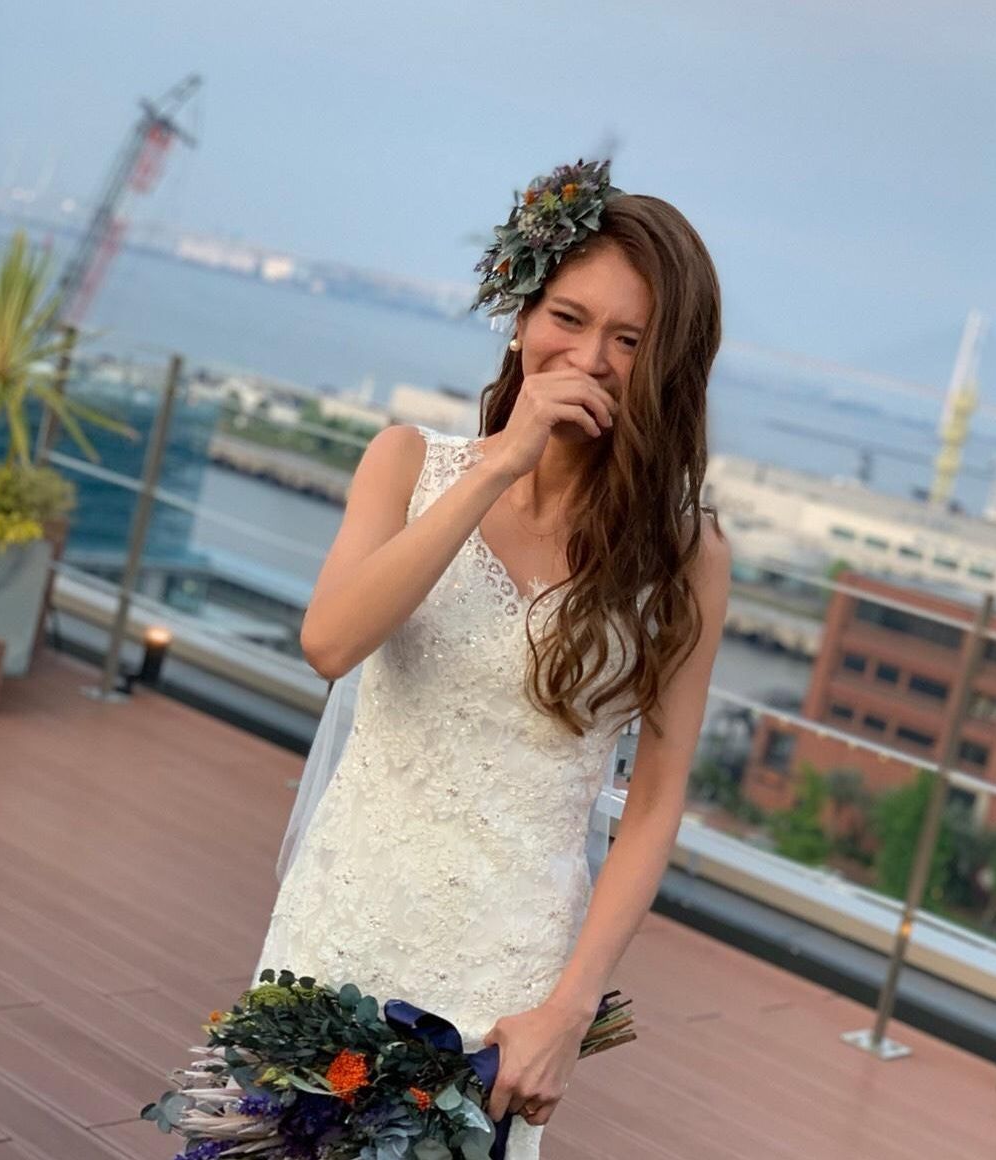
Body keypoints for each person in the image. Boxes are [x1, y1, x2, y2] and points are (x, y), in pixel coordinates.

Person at [252, 158, 731, 1158]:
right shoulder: (403, 462)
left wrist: (568, 1009)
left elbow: (654, 802)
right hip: (343, 920)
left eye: (630, 339)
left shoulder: (687, 555)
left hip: (506, 978)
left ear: (667, 363)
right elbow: (331, 642)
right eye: (568, 317)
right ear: (521, 318)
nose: (589, 357)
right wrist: (499, 463)